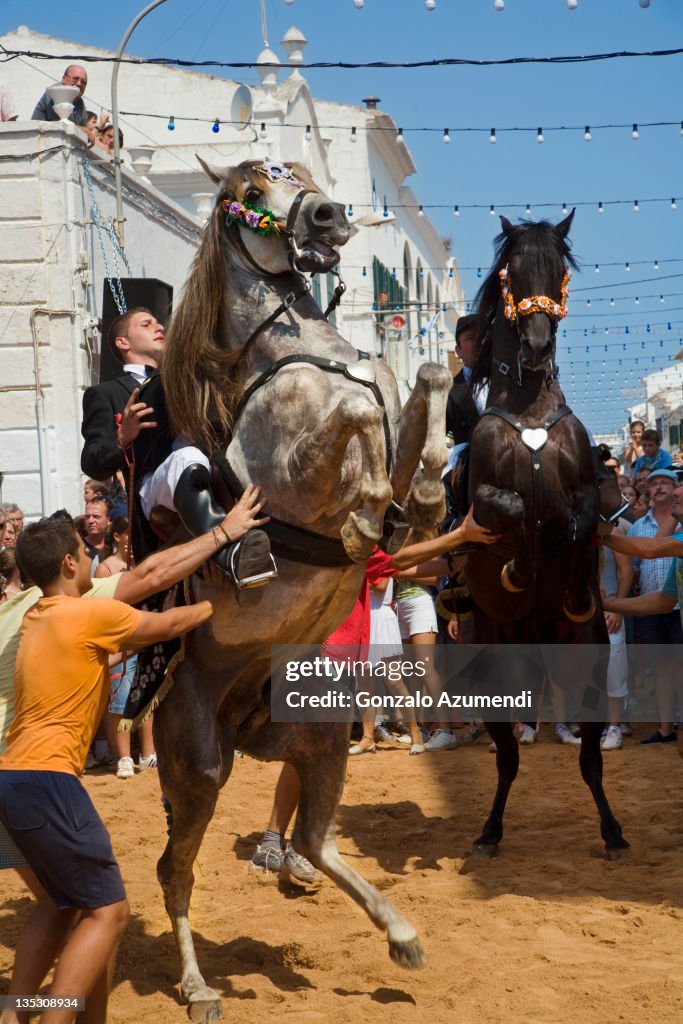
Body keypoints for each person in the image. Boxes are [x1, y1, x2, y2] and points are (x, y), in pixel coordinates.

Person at [0, 488, 267, 1022]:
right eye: (85, 550)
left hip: (12, 780)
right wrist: (217, 603)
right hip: (48, 782)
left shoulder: (33, 614)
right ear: (72, 563)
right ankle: (56, 1016)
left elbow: (107, 643)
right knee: (109, 914)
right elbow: (160, 623)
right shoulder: (84, 615)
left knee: (61, 906)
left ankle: (14, 1011)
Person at [248, 506, 501, 880]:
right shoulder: (349, 549)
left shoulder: (346, 546)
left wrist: (456, 562)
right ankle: (282, 843)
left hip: (330, 655)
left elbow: (404, 567)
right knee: (309, 756)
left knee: (310, 755)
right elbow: (399, 560)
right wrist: (459, 536)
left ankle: (275, 842)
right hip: (323, 656)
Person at [81, 308, 274, 587]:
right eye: (146, 324)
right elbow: (91, 461)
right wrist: (123, 435)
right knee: (186, 457)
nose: (159, 327)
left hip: (209, 470)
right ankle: (230, 554)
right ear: (123, 343)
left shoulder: (193, 377)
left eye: (159, 323)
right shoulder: (105, 393)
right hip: (153, 487)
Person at [608, 468, 683, 745]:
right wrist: (609, 603)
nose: (667, 490)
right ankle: (666, 727)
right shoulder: (642, 525)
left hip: (672, 612)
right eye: (655, 484)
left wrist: (596, 533)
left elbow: (649, 550)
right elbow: (662, 597)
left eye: (671, 484)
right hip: (658, 607)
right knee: (663, 668)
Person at [95, 517, 156, 778]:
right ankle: (123, 757)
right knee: (119, 694)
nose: (132, 542)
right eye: (127, 535)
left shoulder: (142, 562)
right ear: (117, 536)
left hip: (144, 633)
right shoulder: (105, 569)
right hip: (118, 639)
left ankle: (148, 752)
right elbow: (102, 607)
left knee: (146, 694)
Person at [445, 314, 487, 444]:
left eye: (484, 337)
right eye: (471, 338)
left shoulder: (507, 383)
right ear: (458, 351)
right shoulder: (449, 393)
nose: (480, 342)